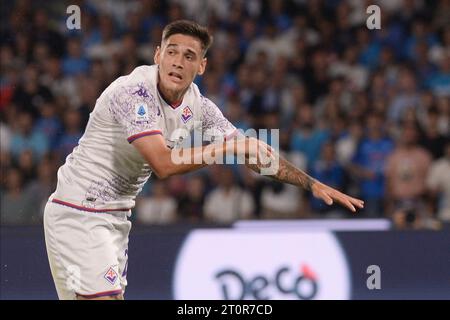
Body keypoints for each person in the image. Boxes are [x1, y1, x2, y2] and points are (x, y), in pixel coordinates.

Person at [43, 20, 364, 300]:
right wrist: (224, 149)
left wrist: (310, 183)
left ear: (202, 66)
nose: (177, 62)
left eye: (189, 56)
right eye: (171, 51)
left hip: (115, 217)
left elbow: (253, 153)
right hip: (79, 209)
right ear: (157, 55)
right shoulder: (133, 92)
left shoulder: (201, 107)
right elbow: (164, 164)